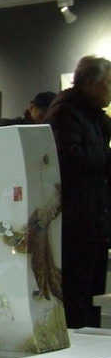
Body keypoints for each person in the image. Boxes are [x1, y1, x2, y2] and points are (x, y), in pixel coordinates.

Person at [45, 55, 111, 328]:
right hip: (77, 221)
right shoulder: (66, 112)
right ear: (90, 83)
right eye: (108, 83)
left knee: (93, 293)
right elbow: (68, 161)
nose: (110, 89)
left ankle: (91, 341)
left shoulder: (91, 114)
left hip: (94, 218)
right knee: (77, 294)